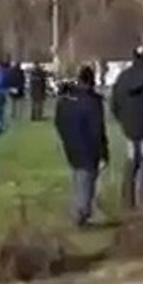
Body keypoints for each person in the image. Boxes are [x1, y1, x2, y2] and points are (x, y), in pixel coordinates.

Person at [54, 66, 109, 227]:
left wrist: (66, 138)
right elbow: (97, 129)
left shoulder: (67, 101)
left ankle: (79, 210)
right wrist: (103, 151)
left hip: (71, 145)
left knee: (77, 178)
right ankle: (81, 214)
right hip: (89, 147)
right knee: (87, 180)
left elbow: (59, 122)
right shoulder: (93, 102)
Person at [111, 46, 143, 210]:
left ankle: (127, 199)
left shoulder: (123, 77)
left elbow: (114, 104)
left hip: (129, 128)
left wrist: (123, 121)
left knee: (131, 162)